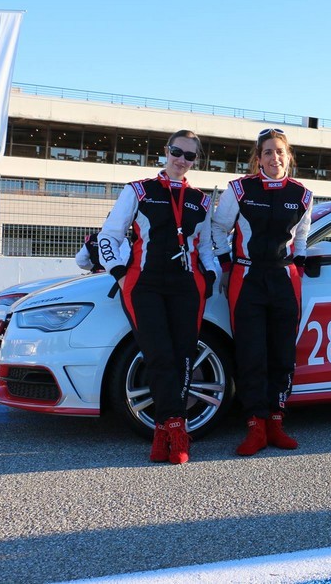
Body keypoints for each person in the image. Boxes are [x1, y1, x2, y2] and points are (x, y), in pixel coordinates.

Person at [97, 130, 217, 465]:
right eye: (177, 151)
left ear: (196, 161)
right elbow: (109, 235)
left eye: (190, 156)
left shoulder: (202, 200)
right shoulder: (137, 190)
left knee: (182, 358)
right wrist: (119, 274)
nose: (182, 160)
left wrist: (208, 278)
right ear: (166, 151)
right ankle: (175, 430)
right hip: (144, 285)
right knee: (159, 355)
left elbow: (206, 248)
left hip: (187, 288)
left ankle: (167, 433)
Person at [211, 127, 312, 456]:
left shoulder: (303, 194)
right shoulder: (239, 189)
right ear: (258, 158)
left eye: (279, 151)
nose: (274, 157)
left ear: (288, 156)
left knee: (282, 354)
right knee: (251, 353)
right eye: (267, 152)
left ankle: (276, 422)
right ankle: (255, 425)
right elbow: (218, 228)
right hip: (247, 277)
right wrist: (226, 267)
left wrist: (299, 263)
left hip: (284, 279)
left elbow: (302, 238)